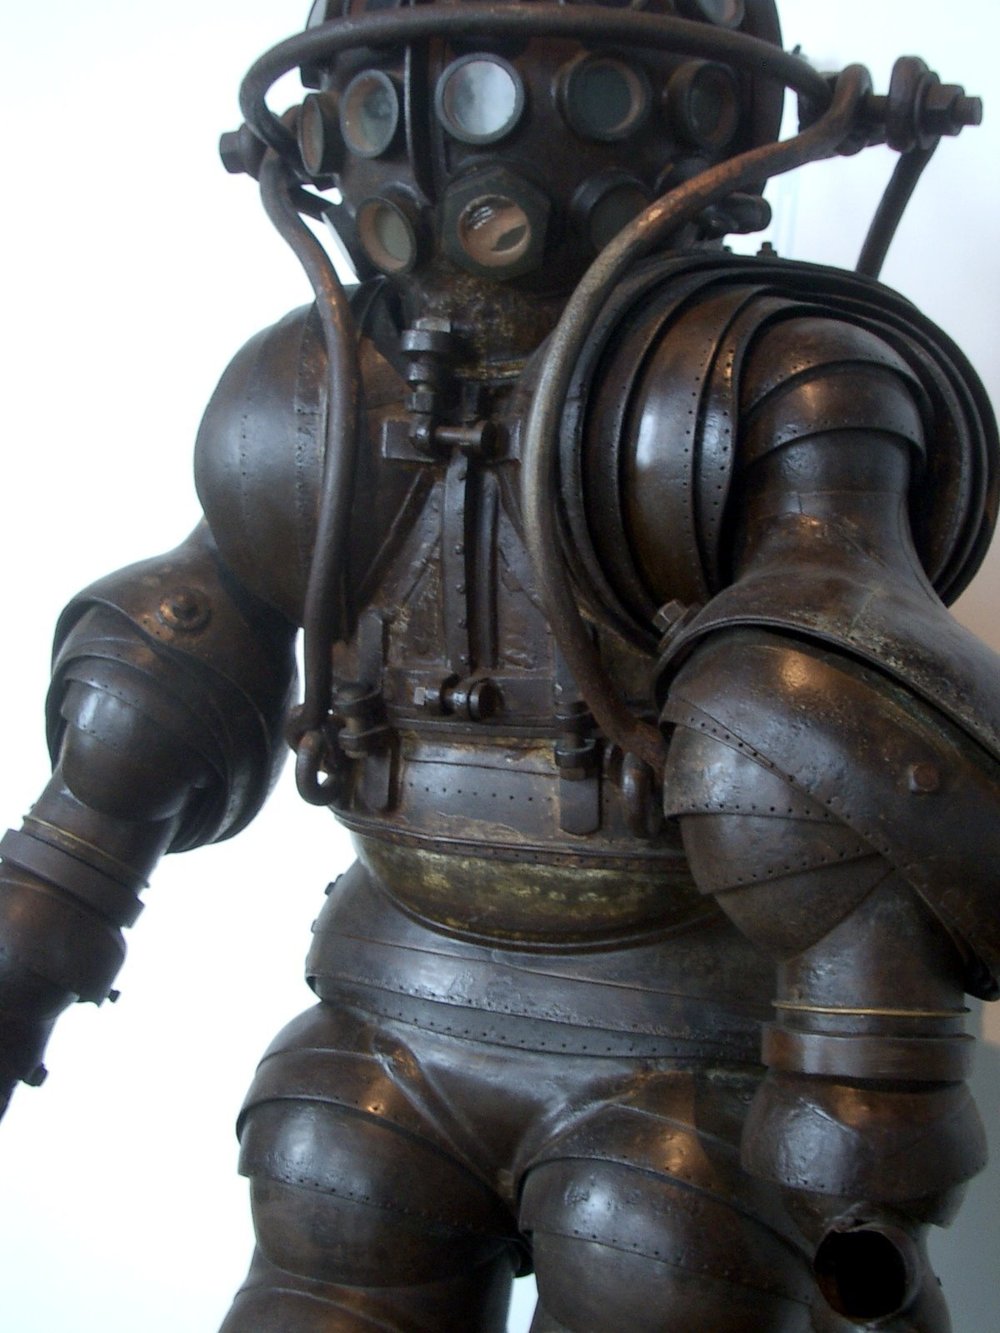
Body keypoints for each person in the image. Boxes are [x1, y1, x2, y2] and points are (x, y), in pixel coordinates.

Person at [1, 3, 997, 1329]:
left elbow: (838, 733)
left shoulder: (770, 380)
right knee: (331, 1189)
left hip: (683, 1051)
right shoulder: (305, 393)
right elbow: (149, 698)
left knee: (658, 1238)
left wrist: (863, 1154)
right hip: (386, 1014)